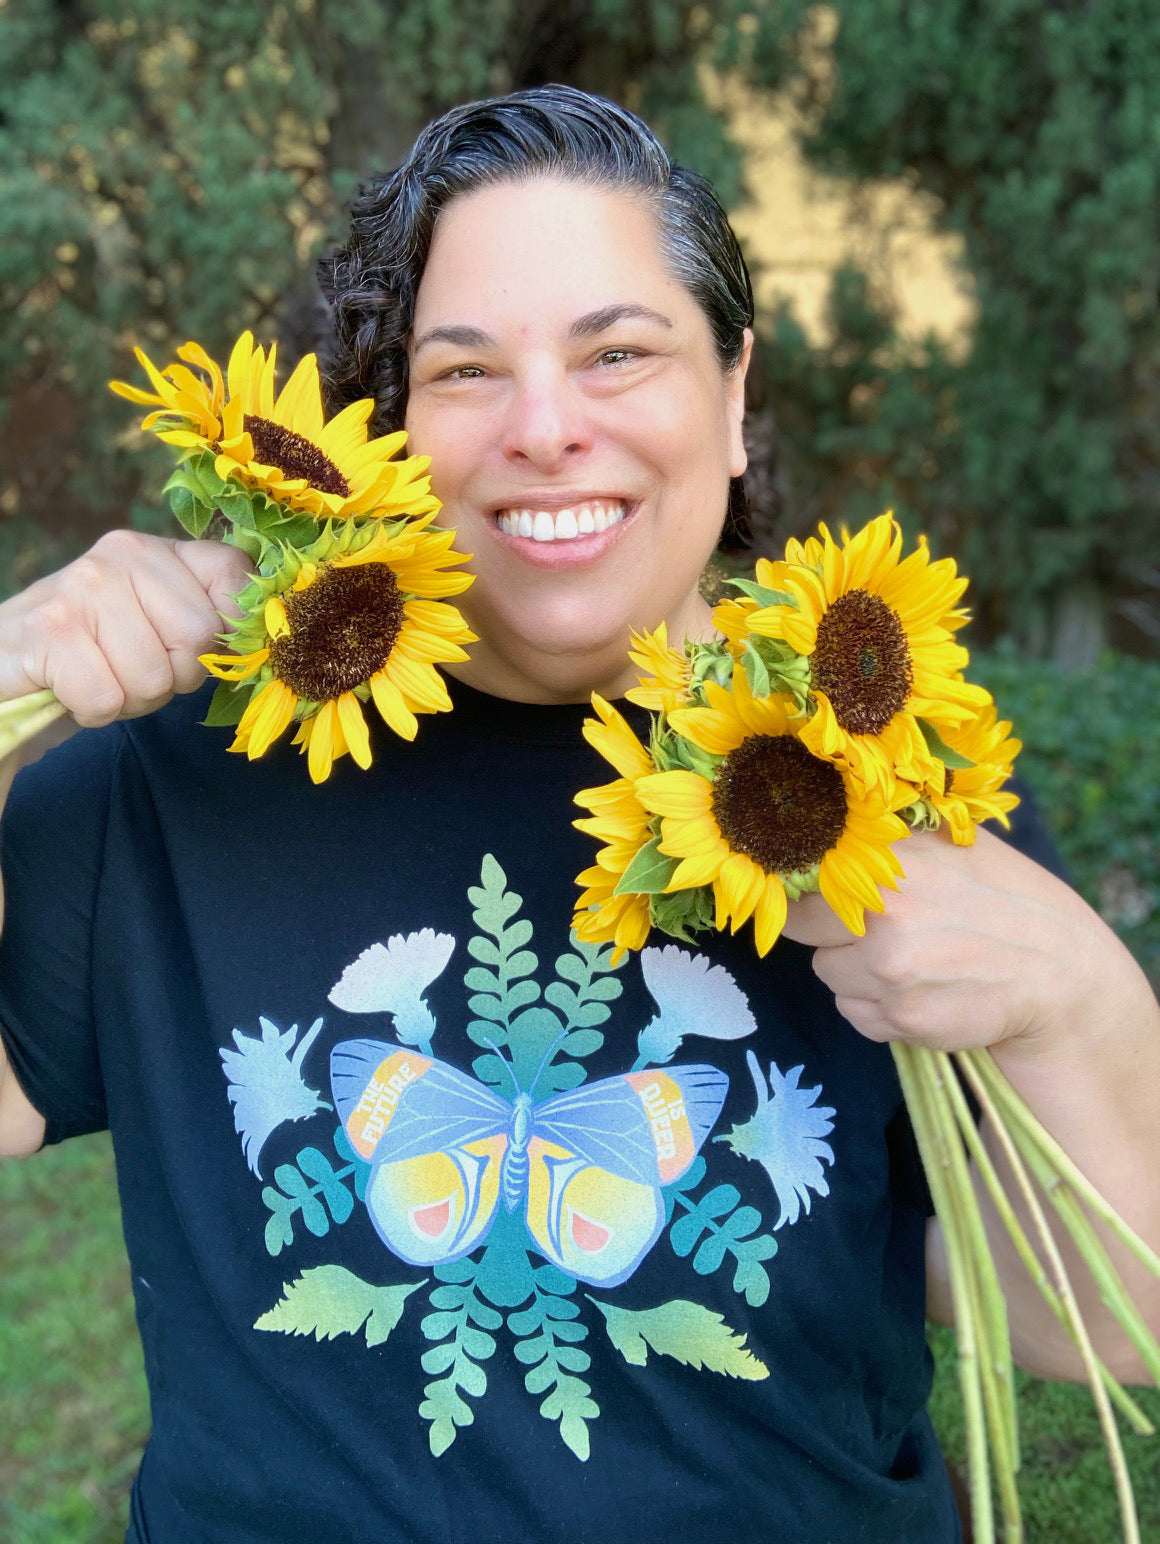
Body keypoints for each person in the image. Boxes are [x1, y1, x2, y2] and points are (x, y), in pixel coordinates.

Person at [0, 86, 1156, 1544]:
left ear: (734, 395)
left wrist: (1087, 1011)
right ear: (391, 429)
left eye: (619, 352)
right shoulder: (181, 774)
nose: (546, 429)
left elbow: (1090, 1318)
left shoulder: (878, 781)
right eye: (467, 372)